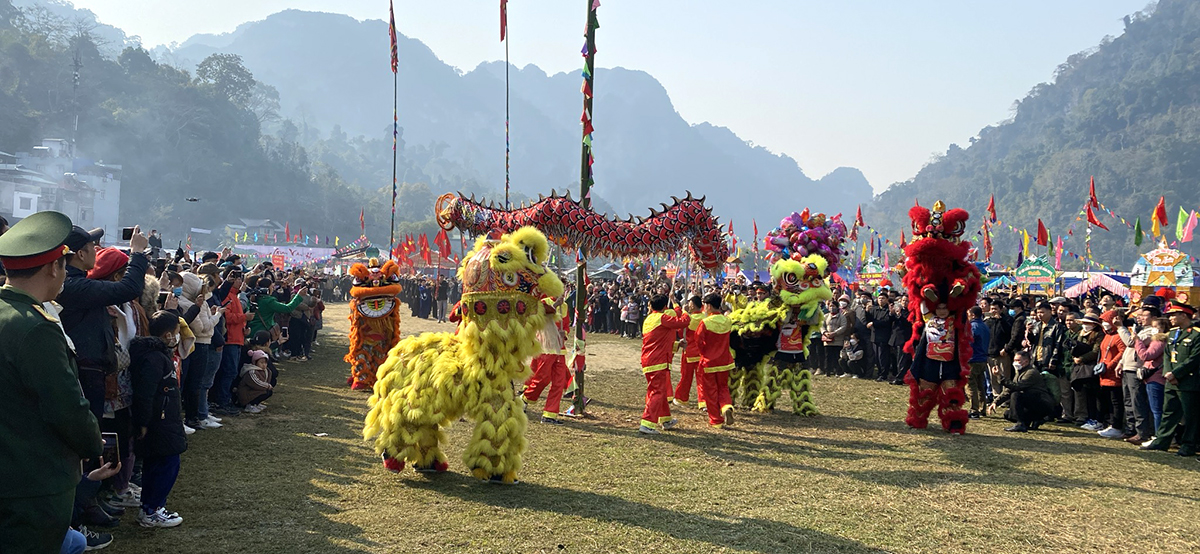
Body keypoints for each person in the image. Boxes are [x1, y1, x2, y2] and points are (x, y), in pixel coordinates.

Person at [0, 212, 105, 554]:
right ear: (52, 268)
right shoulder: (36, 328)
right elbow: (67, 408)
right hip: (32, 482)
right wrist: (95, 447)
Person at [58, 224, 150, 419]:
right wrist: (138, 253)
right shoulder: (75, 286)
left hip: (88, 369)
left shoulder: (75, 283)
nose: (97, 250)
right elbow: (128, 289)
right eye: (92, 246)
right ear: (81, 254)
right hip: (85, 371)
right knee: (88, 428)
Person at [130, 311, 186, 528]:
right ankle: (153, 509)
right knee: (167, 463)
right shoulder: (154, 358)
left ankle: (149, 507)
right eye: (176, 333)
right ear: (167, 334)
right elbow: (145, 393)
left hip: (164, 419)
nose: (177, 337)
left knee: (157, 463)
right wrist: (143, 422)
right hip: (158, 421)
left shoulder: (158, 355)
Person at [1141, 301, 1200, 457]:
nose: (1170, 318)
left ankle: (1188, 445)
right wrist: (1168, 373)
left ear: (1184, 315)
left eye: (1174, 315)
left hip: (1189, 381)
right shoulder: (1173, 333)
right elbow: (1167, 356)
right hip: (1171, 380)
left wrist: (1177, 374)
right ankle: (1162, 441)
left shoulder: (1196, 334)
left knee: (1190, 415)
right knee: (1168, 412)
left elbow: (1194, 359)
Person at [638, 294, 690, 434]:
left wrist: (677, 345)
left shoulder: (649, 319)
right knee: (658, 392)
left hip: (649, 360)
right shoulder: (662, 318)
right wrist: (684, 310)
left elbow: (659, 341)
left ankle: (665, 420)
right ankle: (647, 423)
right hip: (658, 361)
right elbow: (683, 322)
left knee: (657, 391)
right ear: (665, 307)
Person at [991, 350, 1057, 432]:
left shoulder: (1031, 373)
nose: (1015, 363)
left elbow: (1017, 387)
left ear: (1026, 361)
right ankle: (1033, 421)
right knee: (1008, 414)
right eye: (1014, 360)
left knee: (1016, 394)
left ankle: (1021, 424)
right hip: (1032, 403)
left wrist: (1000, 377)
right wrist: (996, 402)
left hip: (1042, 403)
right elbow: (1009, 390)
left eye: (1018, 360)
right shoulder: (1020, 372)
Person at [697, 293, 735, 428]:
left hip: (709, 361)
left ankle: (716, 420)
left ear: (708, 306)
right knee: (723, 387)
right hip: (725, 361)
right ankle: (726, 406)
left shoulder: (705, 322)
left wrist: (704, 354)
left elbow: (699, 342)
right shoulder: (727, 321)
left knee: (710, 391)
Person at [1069, 314, 1104, 431]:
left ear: (1094, 325)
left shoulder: (1099, 335)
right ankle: (1082, 415)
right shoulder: (1080, 333)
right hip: (1079, 366)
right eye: (1084, 323)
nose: (1085, 325)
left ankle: (1093, 417)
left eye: (1087, 323)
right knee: (1080, 391)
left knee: (1092, 394)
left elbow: (1095, 351)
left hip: (1091, 367)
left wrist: (1082, 358)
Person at [1095, 310, 1127, 439]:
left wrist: (1110, 365)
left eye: (1106, 321)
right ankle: (1109, 422)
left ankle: (1117, 426)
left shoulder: (1118, 336)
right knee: (1107, 399)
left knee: (1116, 401)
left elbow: (1122, 351)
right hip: (1104, 373)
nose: (1104, 324)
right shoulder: (1107, 335)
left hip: (1113, 373)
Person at [672, 295, 707, 409]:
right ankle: (703, 401)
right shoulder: (705, 317)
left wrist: (676, 304)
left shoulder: (691, 319)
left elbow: (682, 327)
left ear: (693, 304)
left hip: (690, 350)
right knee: (702, 378)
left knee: (686, 377)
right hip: (702, 352)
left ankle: (681, 398)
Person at [967, 306, 991, 418]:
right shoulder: (985, 326)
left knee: (971, 385)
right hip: (983, 358)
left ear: (972, 314)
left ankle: (974, 410)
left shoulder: (973, 326)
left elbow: (969, 342)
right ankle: (982, 408)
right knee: (981, 385)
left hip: (973, 358)